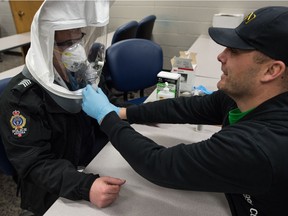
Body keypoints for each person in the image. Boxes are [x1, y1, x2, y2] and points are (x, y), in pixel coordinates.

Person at [82, 6, 288, 215]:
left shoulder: (260, 145)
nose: (221, 56)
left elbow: (158, 165)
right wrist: (123, 113)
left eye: (234, 51)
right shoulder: (246, 97)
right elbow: (189, 107)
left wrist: (106, 117)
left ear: (272, 70)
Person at [0, 1, 126, 216]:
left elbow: (106, 111)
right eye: (66, 44)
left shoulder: (83, 75)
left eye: (79, 39)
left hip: (89, 163)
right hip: (52, 187)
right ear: (44, 43)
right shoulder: (21, 98)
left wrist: (129, 116)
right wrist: (85, 186)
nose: (75, 49)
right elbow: (34, 163)